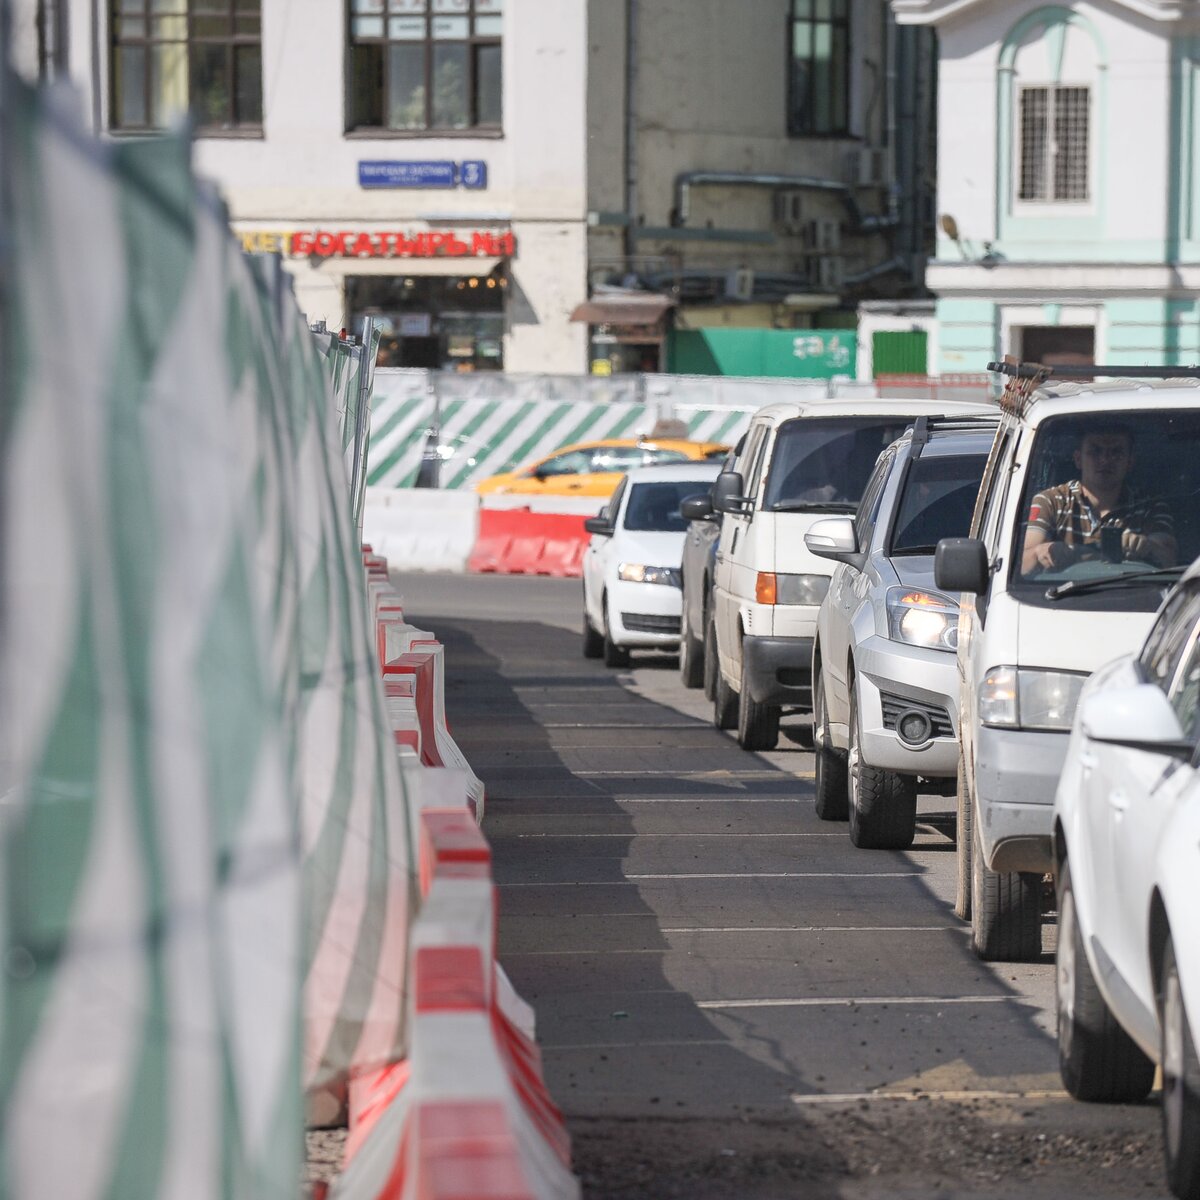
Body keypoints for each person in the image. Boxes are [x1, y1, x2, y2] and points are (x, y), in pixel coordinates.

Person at [1020, 423, 1176, 575]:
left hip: (1135, 595)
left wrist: (1146, 546)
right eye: (1095, 451)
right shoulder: (1051, 501)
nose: (1105, 460)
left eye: (1116, 452)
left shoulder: (1150, 505)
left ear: (1130, 462)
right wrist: (1041, 552)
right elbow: (1022, 565)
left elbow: (1169, 558)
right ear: (1078, 459)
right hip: (1057, 597)